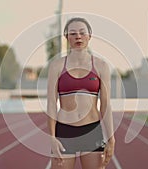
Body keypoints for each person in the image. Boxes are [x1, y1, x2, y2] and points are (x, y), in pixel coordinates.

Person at [47, 17, 115, 169]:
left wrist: (111, 138)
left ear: (89, 36)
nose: (78, 36)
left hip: (91, 130)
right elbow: (51, 103)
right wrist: (51, 137)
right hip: (64, 130)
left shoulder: (101, 66)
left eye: (82, 32)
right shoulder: (57, 65)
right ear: (66, 37)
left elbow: (106, 105)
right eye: (72, 33)